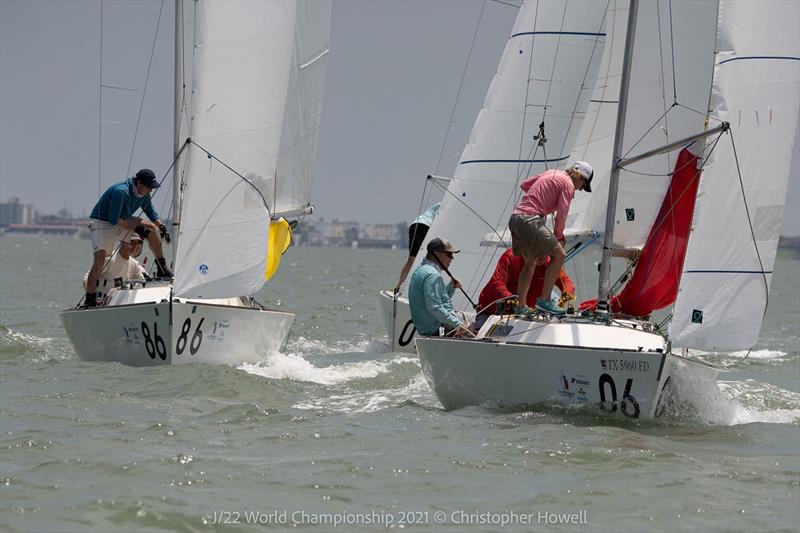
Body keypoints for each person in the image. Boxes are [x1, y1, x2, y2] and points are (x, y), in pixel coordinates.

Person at [509, 161, 592, 315]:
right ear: (580, 177)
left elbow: (525, 185)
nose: (580, 189)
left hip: (515, 218)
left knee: (530, 263)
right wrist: (559, 236)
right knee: (560, 255)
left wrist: (547, 196)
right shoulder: (568, 184)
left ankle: (521, 306)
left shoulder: (552, 173)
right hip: (531, 220)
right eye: (583, 185)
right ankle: (545, 300)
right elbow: (562, 215)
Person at [85, 168, 172, 307]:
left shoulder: (144, 195)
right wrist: (136, 228)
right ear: (139, 184)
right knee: (100, 259)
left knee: (151, 228)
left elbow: (151, 213)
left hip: (123, 219)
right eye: (149, 187)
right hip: (103, 222)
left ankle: (162, 267)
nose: (151, 190)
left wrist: (161, 226)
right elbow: (114, 220)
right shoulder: (121, 192)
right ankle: (89, 297)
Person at [476, 248, 575, 327]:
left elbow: (565, 281)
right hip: (491, 313)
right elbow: (496, 282)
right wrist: (511, 298)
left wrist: (567, 293)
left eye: (545, 250)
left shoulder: (550, 264)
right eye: (538, 249)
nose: (542, 254)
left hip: (526, 316)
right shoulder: (511, 256)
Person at [407, 237, 470, 337]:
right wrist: (458, 325)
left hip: (426, 329)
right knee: (474, 328)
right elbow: (434, 308)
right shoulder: (433, 275)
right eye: (449, 254)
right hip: (437, 330)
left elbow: (438, 301)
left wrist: (451, 288)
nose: (452, 258)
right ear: (436, 253)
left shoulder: (420, 270)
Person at [83, 234, 148, 305]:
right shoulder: (109, 258)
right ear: (122, 241)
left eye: (137, 244)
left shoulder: (134, 265)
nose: (134, 247)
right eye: (131, 242)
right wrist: (92, 297)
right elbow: (86, 278)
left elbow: (143, 283)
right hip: (100, 304)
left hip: (119, 303)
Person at [394, 202, 440, 291]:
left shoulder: (439, 204)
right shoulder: (447, 204)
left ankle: (398, 286)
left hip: (415, 225)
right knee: (426, 260)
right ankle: (413, 288)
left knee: (411, 259)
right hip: (425, 226)